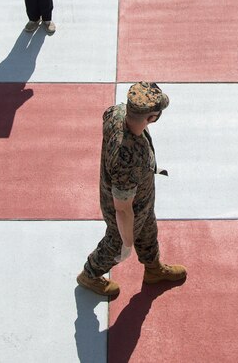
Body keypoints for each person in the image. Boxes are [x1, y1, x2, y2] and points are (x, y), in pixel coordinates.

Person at [77, 82, 186, 300]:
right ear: (151, 118)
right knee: (115, 244)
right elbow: (123, 210)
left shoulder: (115, 112)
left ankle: (153, 268)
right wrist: (127, 242)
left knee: (148, 230)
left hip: (141, 198)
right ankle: (89, 274)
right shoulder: (127, 158)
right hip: (127, 208)